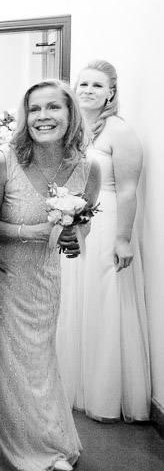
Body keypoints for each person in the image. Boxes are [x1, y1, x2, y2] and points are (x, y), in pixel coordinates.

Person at [0, 79, 100, 471]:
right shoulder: (6, 162)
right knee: (10, 367)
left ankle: (47, 441)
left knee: (39, 362)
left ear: (70, 113)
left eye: (53, 107)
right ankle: (20, 451)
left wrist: (75, 237)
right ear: (26, 118)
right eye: (35, 109)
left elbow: (83, 223)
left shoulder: (89, 168)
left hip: (44, 282)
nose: (43, 116)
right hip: (3, 282)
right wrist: (27, 233)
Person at [56, 59, 151, 423]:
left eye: (97, 85)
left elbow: (128, 190)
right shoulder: (71, 128)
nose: (88, 91)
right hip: (72, 221)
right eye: (83, 84)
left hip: (107, 220)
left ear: (111, 92)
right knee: (71, 303)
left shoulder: (120, 131)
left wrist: (123, 238)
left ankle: (103, 393)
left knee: (103, 301)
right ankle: (71, 387)